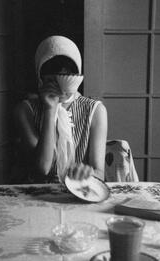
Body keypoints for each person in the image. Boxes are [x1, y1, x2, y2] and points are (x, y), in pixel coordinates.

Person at [13, 36, 107, 183]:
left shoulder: (95, 110)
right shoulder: (25, 110)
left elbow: (100, 174)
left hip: (80, 190)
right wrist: (50, 110)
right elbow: (42, 169)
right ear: (41, 78)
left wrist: (88, 173)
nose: (61, 89)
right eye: (53, 80)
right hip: (38, 192)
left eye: (67, 78)